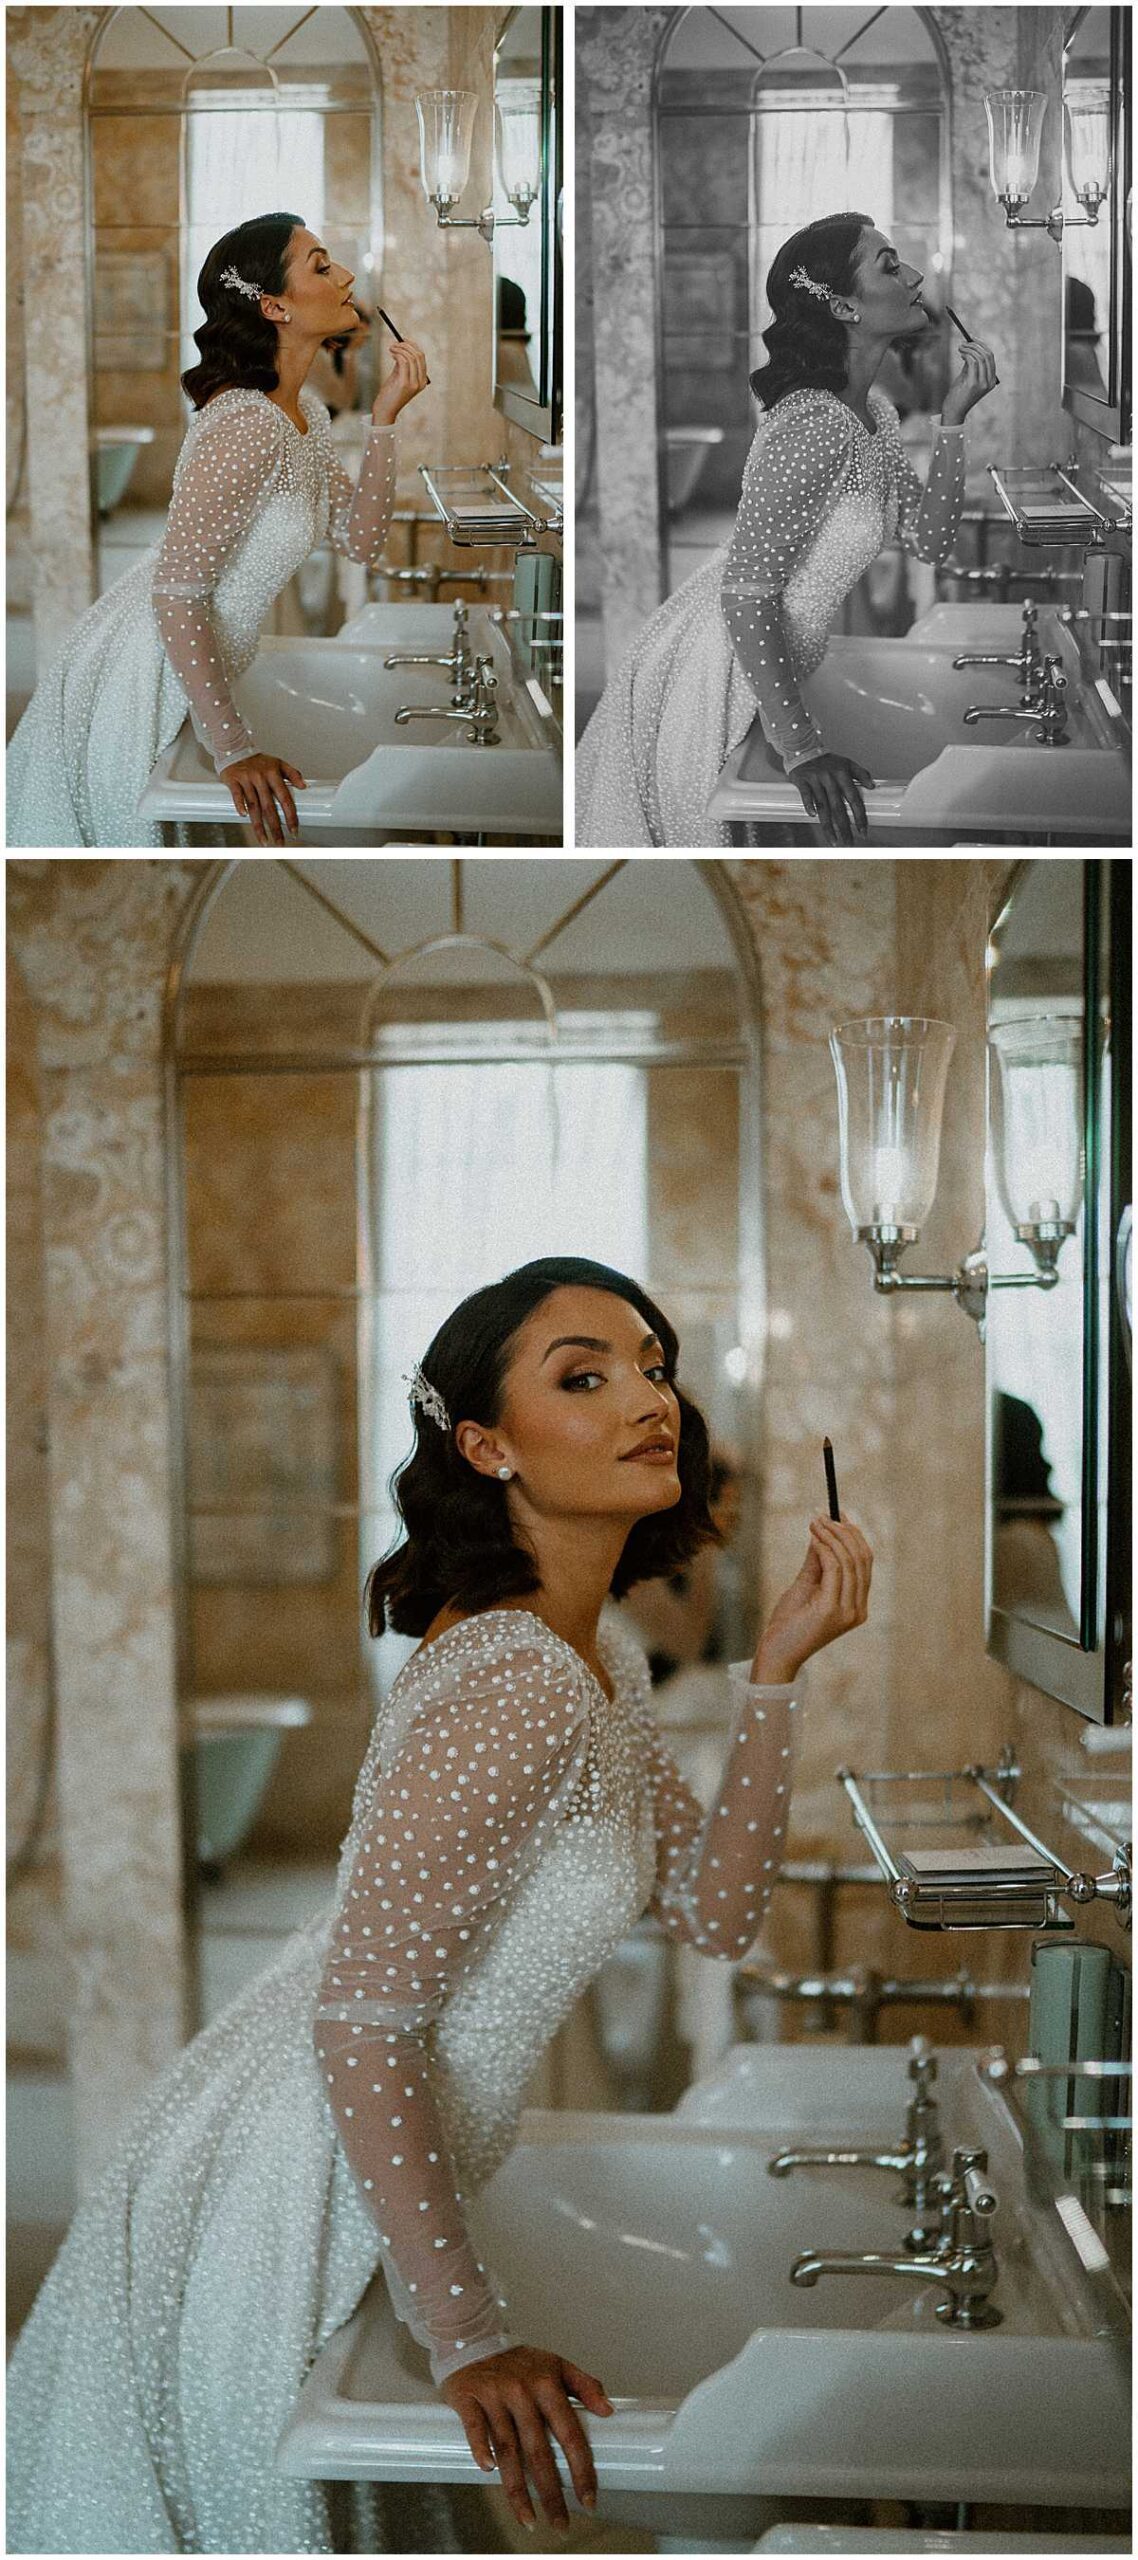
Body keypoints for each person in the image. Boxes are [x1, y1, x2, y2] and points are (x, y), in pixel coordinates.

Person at [6, 1255, 872, 2553]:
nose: (647, 1400)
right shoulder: (515, 1682)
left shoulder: (598, 1656)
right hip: (289, 2169)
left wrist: (774, 1677)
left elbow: (714, 1912)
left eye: (652, 1368)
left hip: (365, 2148)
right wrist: (467, 2338)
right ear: (486, 1445)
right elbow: (361, 2027)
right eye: (582, 1376)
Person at [6, 212, 428, 851]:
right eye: (320, 266)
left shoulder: (304, 413)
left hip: (199, 664)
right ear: (274, 306)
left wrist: (385, 422)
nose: (344, 277)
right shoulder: (245, 425)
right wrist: (234, 748)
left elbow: (362, 543)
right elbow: (176, 596)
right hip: (144, 670)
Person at [576, 210, 998, 849]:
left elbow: (929, 542)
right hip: (716, 664)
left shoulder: (875, 415)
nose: (913, 277)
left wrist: (953, 424)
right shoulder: (813, 426)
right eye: (889, 265)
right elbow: (747, 595)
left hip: (769, 660)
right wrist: (802, 748)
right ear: (844, 306)